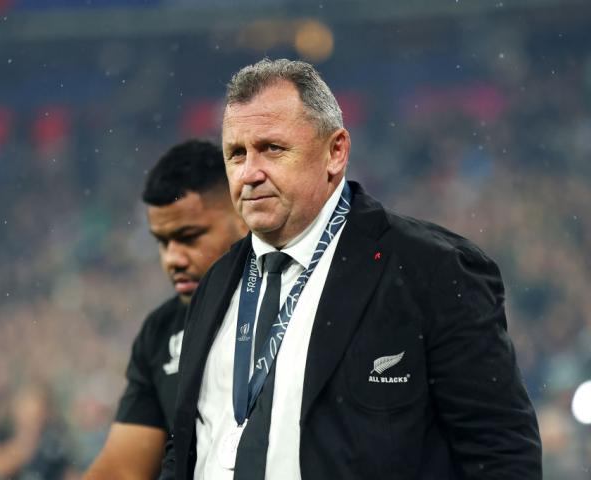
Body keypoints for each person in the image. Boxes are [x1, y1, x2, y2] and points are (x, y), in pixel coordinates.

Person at [161, 59, 542, 480]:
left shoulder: (431, 270)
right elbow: (188, 445)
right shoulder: (215, 282)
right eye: (236, 154)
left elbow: (499, 453)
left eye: (272, 148)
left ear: (335, 152)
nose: (250, 173)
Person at [84, 140, 247, 480]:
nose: (172, 258)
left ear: (243, 218)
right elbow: (123, 469)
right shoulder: (160, 333)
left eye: (189, 236)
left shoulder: (295, 303)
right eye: (162, 242)